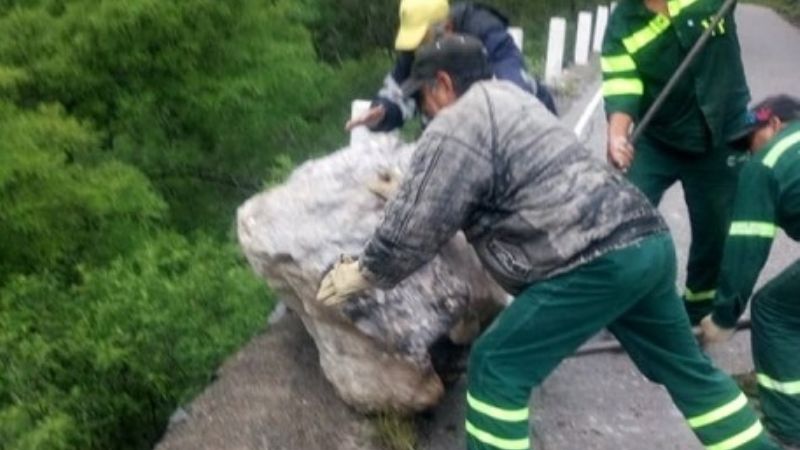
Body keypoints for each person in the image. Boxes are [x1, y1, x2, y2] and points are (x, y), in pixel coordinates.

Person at [318, 33, 777, 450]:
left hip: (591, 261)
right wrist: (410, 187)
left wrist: (364, 272)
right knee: (689, 373)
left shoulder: (459, 121)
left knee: (498, 366)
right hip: (646, 242)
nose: (423, 107)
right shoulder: (514, 101)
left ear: (442, 83)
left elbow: (416, 226)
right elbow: (486, 184)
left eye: (422, 96)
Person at [601, 0, 751, 324]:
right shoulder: (623, 23)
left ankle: (697, 311)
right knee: (623, 218)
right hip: (658, 139)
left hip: (722, 131)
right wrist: (617, 135)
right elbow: (622, 84)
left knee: (715, 229)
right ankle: (625, 306)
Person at [701, 95, 800, 448]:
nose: (749, 153)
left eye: (751, 140)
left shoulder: (767, 164)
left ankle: (789, 427)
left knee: (772, 310)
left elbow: (747, 247)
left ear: (773, 124)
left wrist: (724, 317)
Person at [345, 0, 557, 133]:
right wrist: (382, 113)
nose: (418, 50)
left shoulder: (485, 30)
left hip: (528, 123)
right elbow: (398, 92)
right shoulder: (417, 47)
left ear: (447, 28)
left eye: (423, 41)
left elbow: (513, 78)